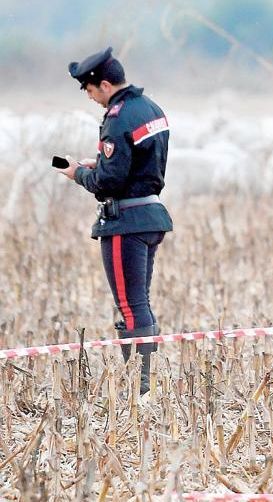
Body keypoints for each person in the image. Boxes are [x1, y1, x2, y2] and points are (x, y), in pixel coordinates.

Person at [59, 47, 173, 395]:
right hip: (150, 213)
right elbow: (138, 165)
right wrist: (102, 166)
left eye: (90, 92)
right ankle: (144, 385)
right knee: (140, 302)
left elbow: (109, 183)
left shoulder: (118, 116)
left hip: (126, 221)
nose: (92, 99)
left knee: (130, 305)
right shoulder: (150, 108)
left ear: (104, 85)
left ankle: (139, 390)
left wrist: (78, 174)